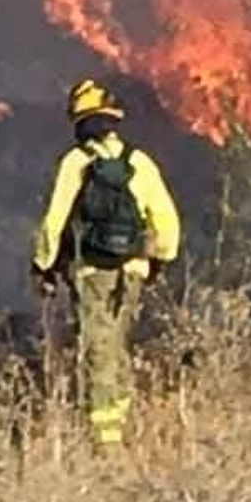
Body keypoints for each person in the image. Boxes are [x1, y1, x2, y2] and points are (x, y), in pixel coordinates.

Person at [32, 79, 180, 449]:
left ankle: (106, 444)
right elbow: (166, 219)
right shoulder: (138, 162)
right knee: (115, 344)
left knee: (97, 349)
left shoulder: (78, 162)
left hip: (91, 271)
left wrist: (43, 265)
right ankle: (122, 426)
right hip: (132, 270)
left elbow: (55, 220)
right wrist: (158, 260)